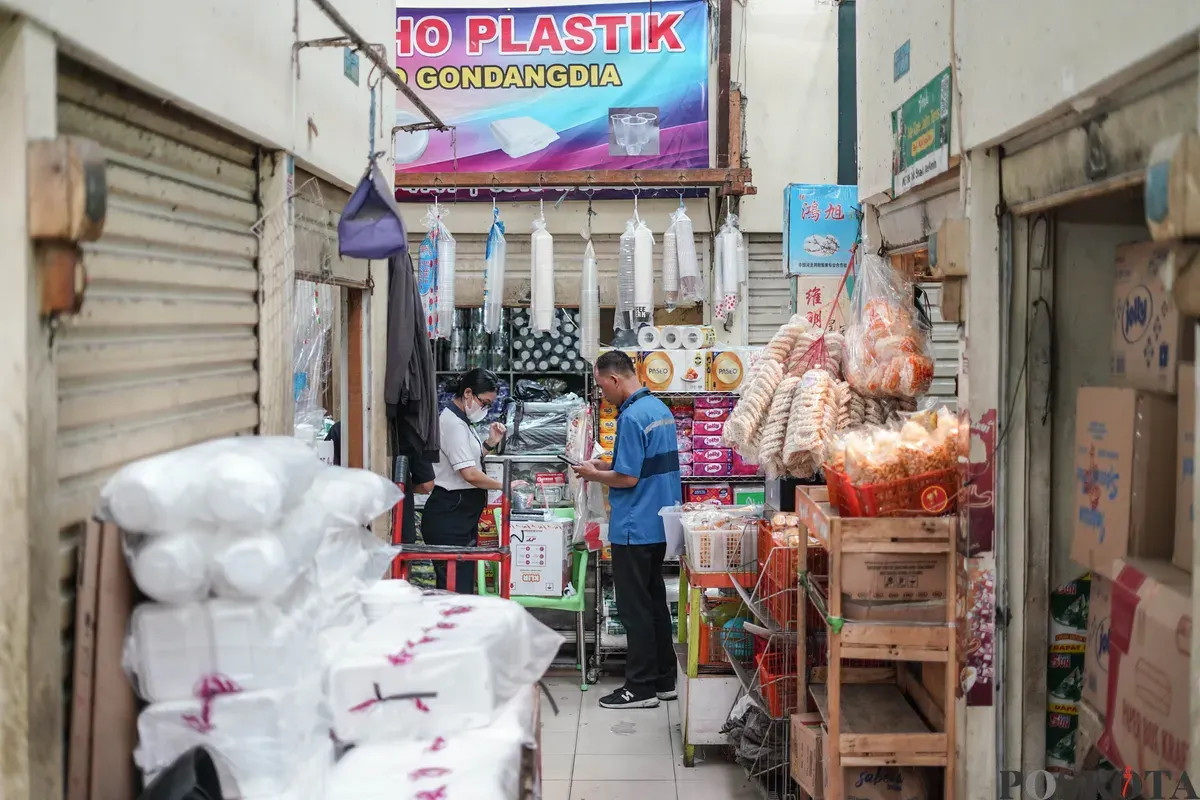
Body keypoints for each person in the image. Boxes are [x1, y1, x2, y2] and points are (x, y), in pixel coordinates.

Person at [573, 350, 682, 709]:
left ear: (615, 379)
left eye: (601, 385)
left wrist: (593, 474)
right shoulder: (659, 410)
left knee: (633, 609)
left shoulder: (632, 417)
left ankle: (639, 688)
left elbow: (628, 477)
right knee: (654, 605)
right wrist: (606, 463)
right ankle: (665, 680)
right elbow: (640, 463)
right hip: (661, 523)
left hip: (634, 526)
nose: (602, 393)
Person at [423, 368, 506, 593]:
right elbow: (468, 473)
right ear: (468, 393)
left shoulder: (462, 421)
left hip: (461, 517)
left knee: (461, 588)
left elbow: (467, 460)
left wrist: (490, 443)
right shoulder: (453, 423)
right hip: (450, 516)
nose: (486, 409)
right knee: (454, 591)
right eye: (485, 403)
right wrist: (504, 485)